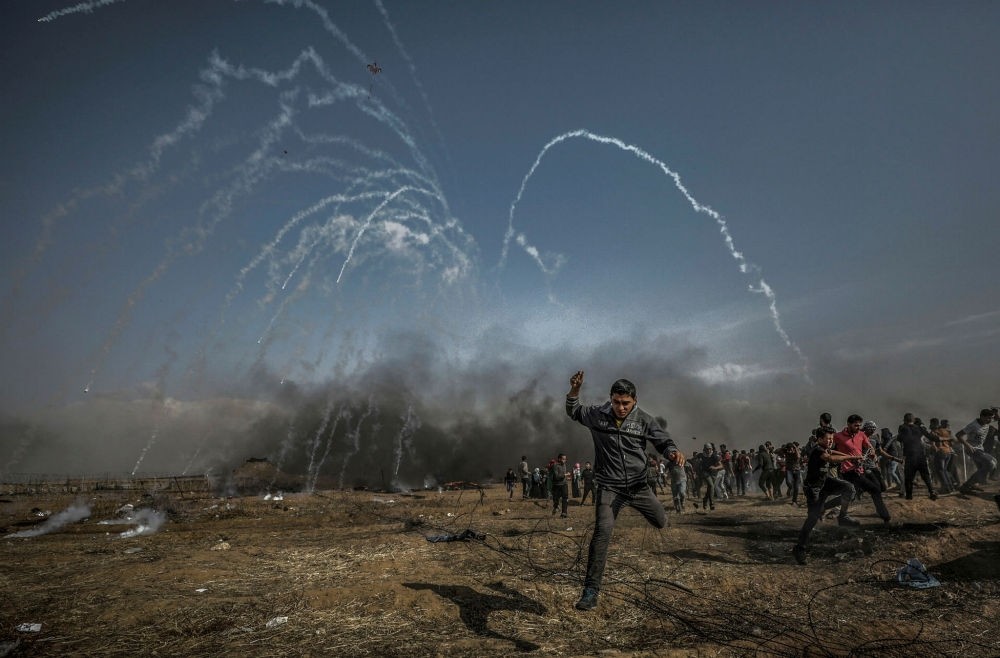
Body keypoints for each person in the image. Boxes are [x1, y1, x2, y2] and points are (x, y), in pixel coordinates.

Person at [564, 371, 685, 611]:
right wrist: (575, 390)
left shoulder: (644, 420)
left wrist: (672, 452)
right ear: (611, 399)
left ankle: (654, 513)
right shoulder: (597, 415)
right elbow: (574, 411)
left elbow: (663, 441)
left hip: (639, 487)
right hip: (609, 487)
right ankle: (590, 591)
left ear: (635, 401)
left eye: (626, 403)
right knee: (602, 534)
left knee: (660, 521)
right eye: (616, 402)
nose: (620, 407)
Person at [792, 426, 864, 565]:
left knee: (849, 489)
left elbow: (833, 451)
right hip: (814, 488)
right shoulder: (818, 450)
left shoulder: (825, 448)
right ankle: (799, 548)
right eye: (828, 439)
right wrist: (850, 457)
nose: (831, 441)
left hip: (825, 482)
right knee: (812, 518)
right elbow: (830, 458)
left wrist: (853, 457)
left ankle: (840, 515)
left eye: (832, 438)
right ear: (819, 439)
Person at [833, 416, 893, 524]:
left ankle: (827, 509)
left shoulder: (861, 435)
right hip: (848, 471)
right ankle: (886, 517)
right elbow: (830, 450)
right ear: (848, 424)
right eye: (856, 425)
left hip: (860, 469)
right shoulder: (838, 436)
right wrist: (845, 458)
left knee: (851, 495)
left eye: (859, 425)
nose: (858, 427)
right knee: (874, 490)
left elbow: (870, 447)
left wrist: (872, 454)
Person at [955, 408, 999, 494]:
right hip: (973, 449)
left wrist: (996, 412)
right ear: (982, 416)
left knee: (982, 468)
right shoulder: (973, 425)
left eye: (991, 418)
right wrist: (968, 445)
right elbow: (958, 435)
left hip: (980, 449)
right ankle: (966, 485)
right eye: (988, 418)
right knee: (991, 463)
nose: (990, 420)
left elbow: (997, 419)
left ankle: (974, 484)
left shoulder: (986, 422)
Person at [897, 413, 938, 500]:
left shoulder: (903, 428)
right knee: (926, 475)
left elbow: (899, 439)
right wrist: (940, 438)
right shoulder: (920, 428)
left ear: (904, 420)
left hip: (910, 456)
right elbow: (931, 437)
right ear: (914, 420)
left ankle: (909, 496)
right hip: (920, 455)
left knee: (908, 477)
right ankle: (932, 491)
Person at [551, 453, 570, 517]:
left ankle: (564, 512)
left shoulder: (564, 465)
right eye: (563, 459)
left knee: (565, 498)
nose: (565, 460)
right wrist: (565, 475)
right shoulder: (555, 466)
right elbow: (556, 477)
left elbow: (563, 475)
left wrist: (566, 477)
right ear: (559, 459)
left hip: (564, 484)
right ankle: (555, 507)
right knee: (556, 499)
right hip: (557, 485)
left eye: (565, 459)